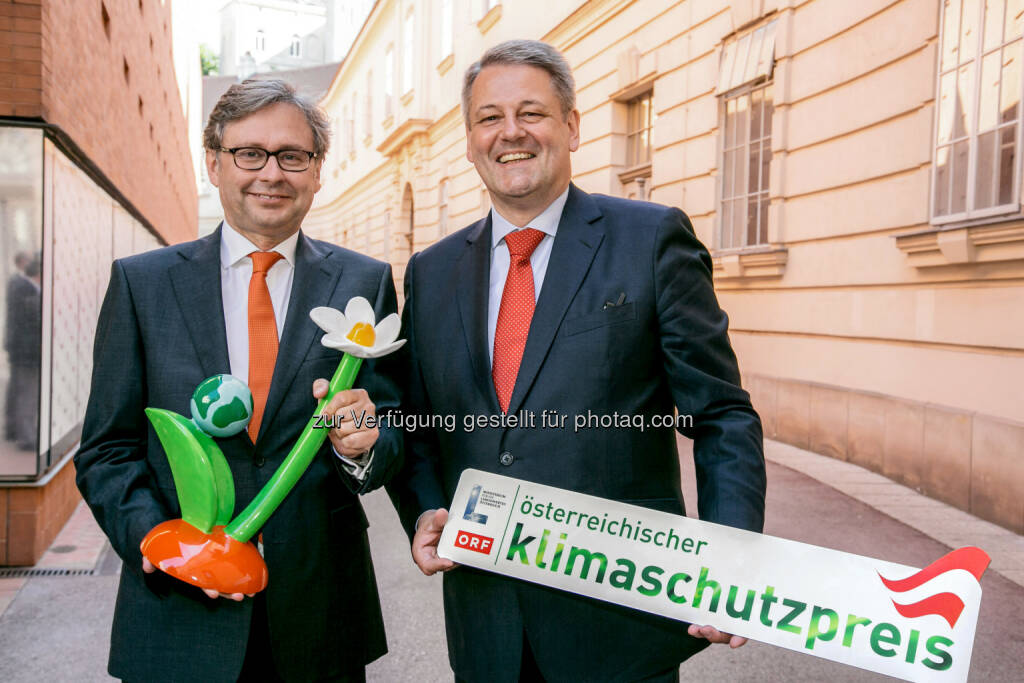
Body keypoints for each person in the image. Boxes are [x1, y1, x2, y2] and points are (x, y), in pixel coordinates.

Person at [388, 40, 767, 682]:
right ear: (470, 136)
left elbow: (723, 415)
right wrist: (425, 507)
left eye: (531, 112)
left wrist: (729, 554)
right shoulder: (431, 271)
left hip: (618, 621)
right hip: (487, 623)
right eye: (489, 117)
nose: (510, 133)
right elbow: (421, 422)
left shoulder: (651, 239)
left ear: (572, 125)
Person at [75, 79, 402, 683]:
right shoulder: (143, 285)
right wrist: (162, 543)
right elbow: (106, 450)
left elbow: (389, 436)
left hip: (319, 615)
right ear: (213, 163)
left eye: (292, 156)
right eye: (249, 153)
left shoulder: (366, 281)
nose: (270, 174)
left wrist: (362, 448)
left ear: (317, 170)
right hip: (178, 612)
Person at [4, 252, 41, 451]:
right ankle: (25, 436)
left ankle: (14, 430)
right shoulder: (24, 288)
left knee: (19, 391)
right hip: (26, 353)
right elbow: (30, 320)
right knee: (26, 394)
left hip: (21, 350)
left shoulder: (20, 285)